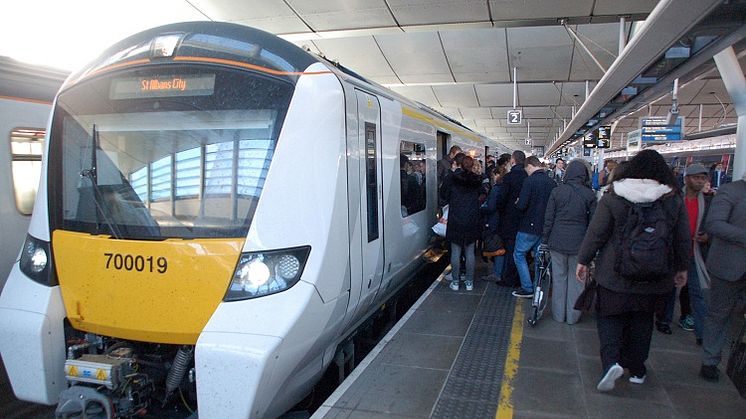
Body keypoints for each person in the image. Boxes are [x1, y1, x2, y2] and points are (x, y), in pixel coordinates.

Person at [576, 149, 690, 392]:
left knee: (609, 318)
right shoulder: (672, 199)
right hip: (655, 276)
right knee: (642, 321)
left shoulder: (613, 196)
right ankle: (637, 369)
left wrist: (583, 260)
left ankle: (610, 365)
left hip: (613, 274)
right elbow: (681, 239)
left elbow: (596, 234)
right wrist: (682, 268)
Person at [699, 171, 746, 382]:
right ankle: (710, 361)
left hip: (732, 264)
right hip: (729, 265)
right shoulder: (730, 191)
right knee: (719, 314)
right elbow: (715, 224)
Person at [542, 159, 597, 323]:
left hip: (557, 241)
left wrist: (545, 240)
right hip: (580, 244)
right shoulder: (590, 195)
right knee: (577, 280)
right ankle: (572, 317)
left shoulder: (557, 192)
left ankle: (559, 315)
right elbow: (593, 224)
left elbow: (548, 219)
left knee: (559, 278)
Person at [512, 155, 557, 298]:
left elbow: (522, 205)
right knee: (539, 258)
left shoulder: (529, 181)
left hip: (528, 226)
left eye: (527, 170)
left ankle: (527, 287)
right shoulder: (552, 182)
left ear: (530, 166)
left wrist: (518, 202)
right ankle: (538, 287)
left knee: (519, 254)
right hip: (545, 227)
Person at [681, 164, 712, 345]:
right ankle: (663, 320)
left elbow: (713, 223)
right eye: (696, 178)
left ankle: (702, 334)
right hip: (676, 251)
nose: (700, 181)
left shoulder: (708, 201)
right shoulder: (676, 197)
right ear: (687, 179)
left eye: (703, 178)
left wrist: (707, 235)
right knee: (668, 290)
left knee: (698, 293)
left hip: (695, 252)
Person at [442, 155, 483, 292]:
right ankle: (469, 283)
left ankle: (455, 282)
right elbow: (482, 195)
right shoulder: (477, 180)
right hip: (471, 219)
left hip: (456, 219)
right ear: (472, 166)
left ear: (458, 164)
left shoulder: (451, 178)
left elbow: (444, 197)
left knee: (455, 251)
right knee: (470, 251)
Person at [495, 150, 528, 288]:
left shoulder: (508, 177)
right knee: (520, 251)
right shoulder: (528, 176)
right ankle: (520, 277)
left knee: (510, 250)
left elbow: (501, 200)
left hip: (509, 220)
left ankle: (509, 278)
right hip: (524, 220)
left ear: (513, 161)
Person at [481, 155, 511, 282]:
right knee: (502, 246)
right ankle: (501, 271)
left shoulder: (496, 189)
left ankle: (497, 273)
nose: (492, 177)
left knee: (498, 247)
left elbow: (491, 206)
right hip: (504, 220)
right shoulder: (506, 187)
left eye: (494, 175)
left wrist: (482, 207)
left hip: (494, 221)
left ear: (498, 175)